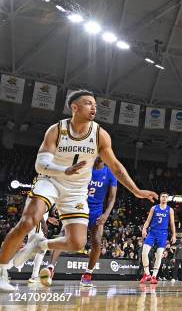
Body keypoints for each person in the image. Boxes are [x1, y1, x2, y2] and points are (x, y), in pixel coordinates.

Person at [0, 90, 157, 292]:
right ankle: (2, 271)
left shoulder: (100, 135)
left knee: (76, 242)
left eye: (95, 104)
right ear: (75, 107)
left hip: (76, 190)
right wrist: (63, 170)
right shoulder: (56, 130)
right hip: (51, 180)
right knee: (28, 221)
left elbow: (116, 167)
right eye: (88, 103)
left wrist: (136, 191)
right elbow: (41, 164)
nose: (94, 107)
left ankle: (41, 245)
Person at [42, 156, 117, 287]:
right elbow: (67, 185)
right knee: (64, 234)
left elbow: (112, 197)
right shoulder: (84, 167)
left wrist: (106, 213)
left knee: (97, 242)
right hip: (79, 205)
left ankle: (88, 274)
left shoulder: (110, 173)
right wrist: (57, 204)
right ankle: (50, 268)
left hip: (96, 211)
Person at [140, 192, 177, 284]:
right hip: (152, 232)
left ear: (168, 199)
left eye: (166, 197)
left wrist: (174, 235)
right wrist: (144, 229)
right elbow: (148, 220)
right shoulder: (154, 208)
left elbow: (172, 224)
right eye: (162, 196)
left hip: (163, 234)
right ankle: (147, 274)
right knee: (144, 252)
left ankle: (154, 276)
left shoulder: (170, 210)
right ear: (160, 198)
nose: (164, 198)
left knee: (159, 255)